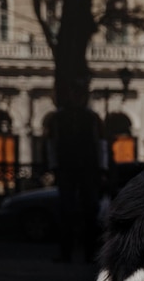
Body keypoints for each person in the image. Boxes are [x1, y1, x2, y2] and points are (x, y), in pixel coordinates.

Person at [45, 79, 108, 263]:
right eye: (75, 94)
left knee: (89, 211)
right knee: (67, 211)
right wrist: (54, 166)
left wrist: (101, 168)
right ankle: (68, 252)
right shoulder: (60, 118)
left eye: (79, 94)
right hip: (70, 168)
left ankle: (87, 252)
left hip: (85, 168)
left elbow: (101, 144)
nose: (77, 98)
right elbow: (52, 144)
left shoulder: (90, 118)